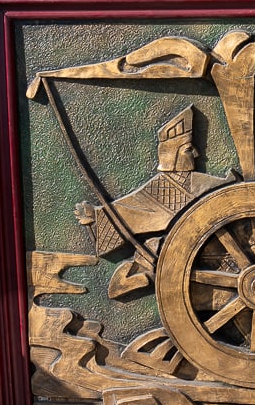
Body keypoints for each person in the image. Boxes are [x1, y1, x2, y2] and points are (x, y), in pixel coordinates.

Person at [75, 105, 230, 298]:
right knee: (155, 246)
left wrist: (233, 181)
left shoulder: (201, 182)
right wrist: (96, 216)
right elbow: (127, 208)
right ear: (173, 154)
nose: (197, 154)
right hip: (178, 252)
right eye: (189, 149)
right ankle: (138, 278)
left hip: (216, 249)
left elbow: (230, 191)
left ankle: (144, 277)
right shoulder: (158, 189)